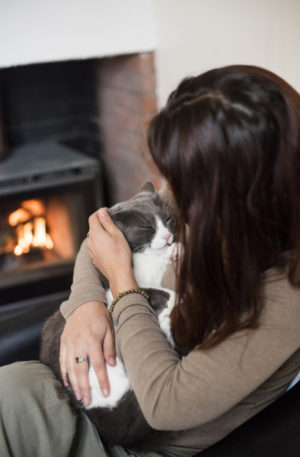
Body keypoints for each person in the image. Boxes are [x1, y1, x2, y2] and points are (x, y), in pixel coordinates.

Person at [1, 65, 300, 457]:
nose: (169, 187)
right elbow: (103, 230)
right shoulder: (195, 194)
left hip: (126, 439)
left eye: (180, 175)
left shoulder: (286, 292)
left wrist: (123, 284)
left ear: (232, 187)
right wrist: (86, 304)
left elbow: (163, 404)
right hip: (72, 386)